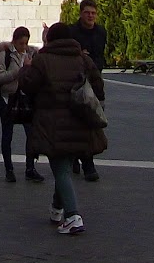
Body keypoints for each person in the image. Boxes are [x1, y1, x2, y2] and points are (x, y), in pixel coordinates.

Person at [19, 22, 106, 236]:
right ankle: (57, 210)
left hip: (53, 123)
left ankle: (73, 216)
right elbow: (98, 86)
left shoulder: (43, 60)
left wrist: (26, 69)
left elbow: (28, 86)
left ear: (50, 39)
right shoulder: (83, 59)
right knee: (65, 164)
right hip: (80, 121)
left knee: (60, 167)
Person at [0, 27, 44, 182]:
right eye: (21, 43)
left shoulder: (32, 54)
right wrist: (21, 70)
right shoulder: (4, 56)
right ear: (14, 41)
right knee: (7, 134)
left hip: (25, 98)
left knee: (31, 133)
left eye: (26, 43)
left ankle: (30, 168)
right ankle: (9, 169)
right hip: (7, 99)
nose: (23, 46)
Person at [67, 0, 108, 181]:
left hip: (94, 81)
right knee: (80, 122)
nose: (90, 16)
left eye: (93, 13)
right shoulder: (72, 32)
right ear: (81, 13)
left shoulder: (101, 32)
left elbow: (100, 55)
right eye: (87, 13)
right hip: (75, 82)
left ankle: (80, 157)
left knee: (90, 122)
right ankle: (86, 163)